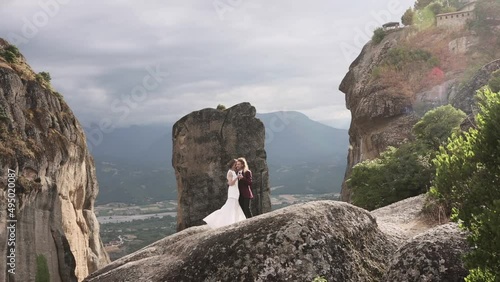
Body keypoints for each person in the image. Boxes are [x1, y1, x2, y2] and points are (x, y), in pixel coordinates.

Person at [203, 159, 246, 228]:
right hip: (232, 192)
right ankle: (216, 219)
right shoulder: (230, 172)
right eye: (236, 164)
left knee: (235, 206)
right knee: (229, 206)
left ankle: (233, 221)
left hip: (236, 192)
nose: (236, 166)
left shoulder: (234, 172)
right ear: (233, 164)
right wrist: (236, 178)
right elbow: (230, 183)